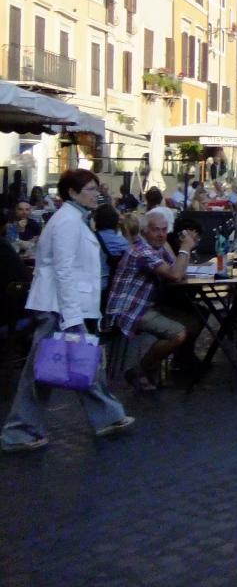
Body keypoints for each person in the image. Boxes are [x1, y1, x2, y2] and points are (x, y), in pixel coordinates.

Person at [3, 170, 134, 452]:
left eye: (96, 188)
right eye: (90, 189)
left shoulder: (73, 219)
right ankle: (20, 431)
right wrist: (72, 316)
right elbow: (63, 270)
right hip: (58, 306)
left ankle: (108, 416)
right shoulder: (68, 222)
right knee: (44, 368)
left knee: (70, 360)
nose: (96, 194)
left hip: (59, 305)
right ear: (73, 193)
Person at [104, 212, 203, 392]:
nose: (160, 234)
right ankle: (140, 370)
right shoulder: (142, 250)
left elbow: (178, 269)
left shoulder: (156, 247)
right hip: (130, 309)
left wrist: (173, 248)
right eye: (155, 230)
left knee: (196, 319)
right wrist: (185, 248)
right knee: (177, 333)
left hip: (145, 305)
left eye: (164, 230)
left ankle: (180, 360)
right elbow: (175, 274)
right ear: (144, 231)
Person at [93, 205, 130, 297]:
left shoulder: (91, 236)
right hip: (107, 285)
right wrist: (123, 227)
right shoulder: (118, 241)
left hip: (93, 283)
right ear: (115, 220)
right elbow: (131, 250)